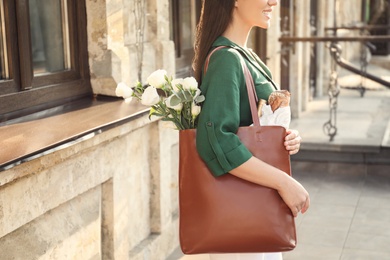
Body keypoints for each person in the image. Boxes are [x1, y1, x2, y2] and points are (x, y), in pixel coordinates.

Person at [193, 0, 310, 259]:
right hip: (242, 212)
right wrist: (283, 182)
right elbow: (217, 141)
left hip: (257, 206)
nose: (274, 1)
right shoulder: (226, 58)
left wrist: (285, 138)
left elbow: (251, 128)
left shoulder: (245, 55)